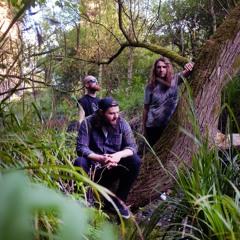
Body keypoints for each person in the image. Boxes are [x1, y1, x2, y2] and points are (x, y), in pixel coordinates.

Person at [74, 97, 142, 219]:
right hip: (93, 169)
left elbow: (132, 147)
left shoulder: (122, 123)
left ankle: (119, 202)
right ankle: (84, 198)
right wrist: (100, 158)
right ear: (100, 113)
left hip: (113, 167)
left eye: (117, 112)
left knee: (135, 160)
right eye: (111, 113)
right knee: (79, 162)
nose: (116, 116)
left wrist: (117, 156)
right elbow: (81, 148)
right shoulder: (87, 123)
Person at [142, 57, 193, 147]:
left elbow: (191, 70)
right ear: (155, 69)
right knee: (154, 153)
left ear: (168, 68)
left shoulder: (176, 79)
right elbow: (146, 108)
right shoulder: (150, 87)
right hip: (153, 126)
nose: (161, 70)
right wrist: (144, 129)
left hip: (170, 125)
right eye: (159, 67)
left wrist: (188, 64)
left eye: (164, 67)